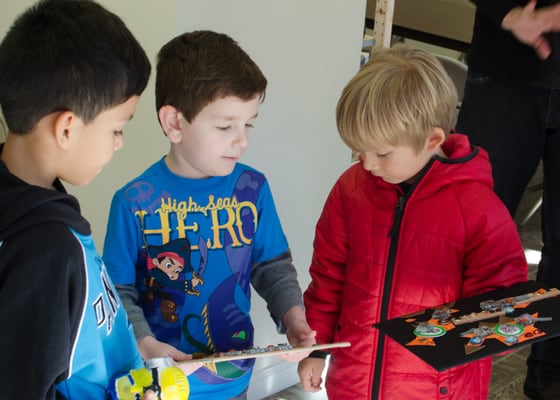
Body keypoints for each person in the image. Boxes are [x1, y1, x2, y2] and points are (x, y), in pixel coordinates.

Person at [297, 44, 528, 400]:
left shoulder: (481, 213)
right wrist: (317, 349)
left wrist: (487, 328)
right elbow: (328, 277)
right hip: (354, 384)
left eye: (382, 152)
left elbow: (503, 320)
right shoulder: (350, 189)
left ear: (432, 140)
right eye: (359, 150)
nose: (368, 164)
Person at [102, 30, 316, 400]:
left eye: (248, 124)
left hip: (234, 381)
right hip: (161, 386)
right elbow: (117, 293)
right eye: (224, 126)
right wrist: (144, 342)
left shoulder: (253, 189)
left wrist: (294, 318)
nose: (242, 140)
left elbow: (272, 266)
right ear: (174, 123)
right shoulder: (133, 202)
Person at [0, 0, 152, 399]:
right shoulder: (45, 251)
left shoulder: (33, 203)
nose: (118, 145)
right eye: (117, 129)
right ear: (67, 129)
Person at [456, 1, 560, 398]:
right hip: (503, 74)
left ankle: (549, 379)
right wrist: (508, 12)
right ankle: (449, 379)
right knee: (471, 239)